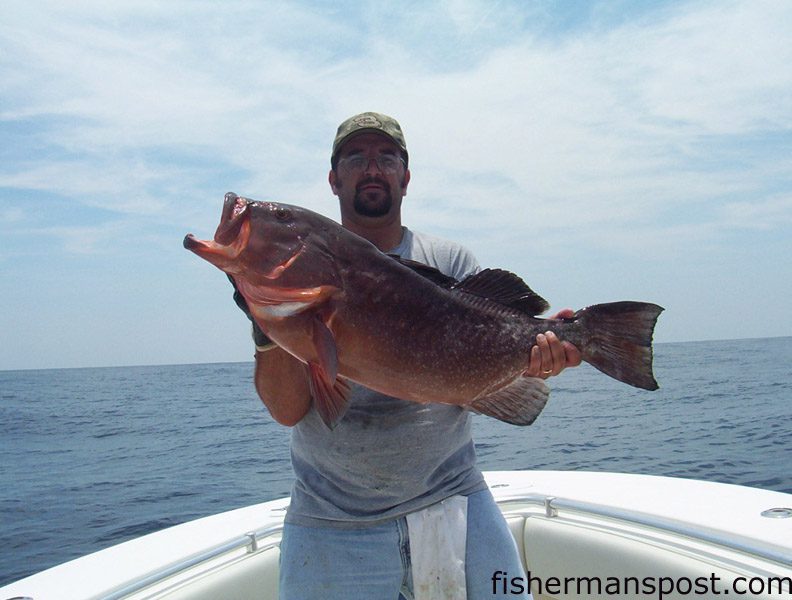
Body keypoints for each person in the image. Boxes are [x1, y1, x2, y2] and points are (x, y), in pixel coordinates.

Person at [234, 112, 581, 599]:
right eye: (356, 157)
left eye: (387, 157)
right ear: (334, 180)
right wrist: (266, 326)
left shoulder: (451, 262)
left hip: (452, 494)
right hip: (331, 517)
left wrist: (539, 354)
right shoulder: (303, 276)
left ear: (405, 177)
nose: (372, 168)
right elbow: (287, 409)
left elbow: (472, 377)